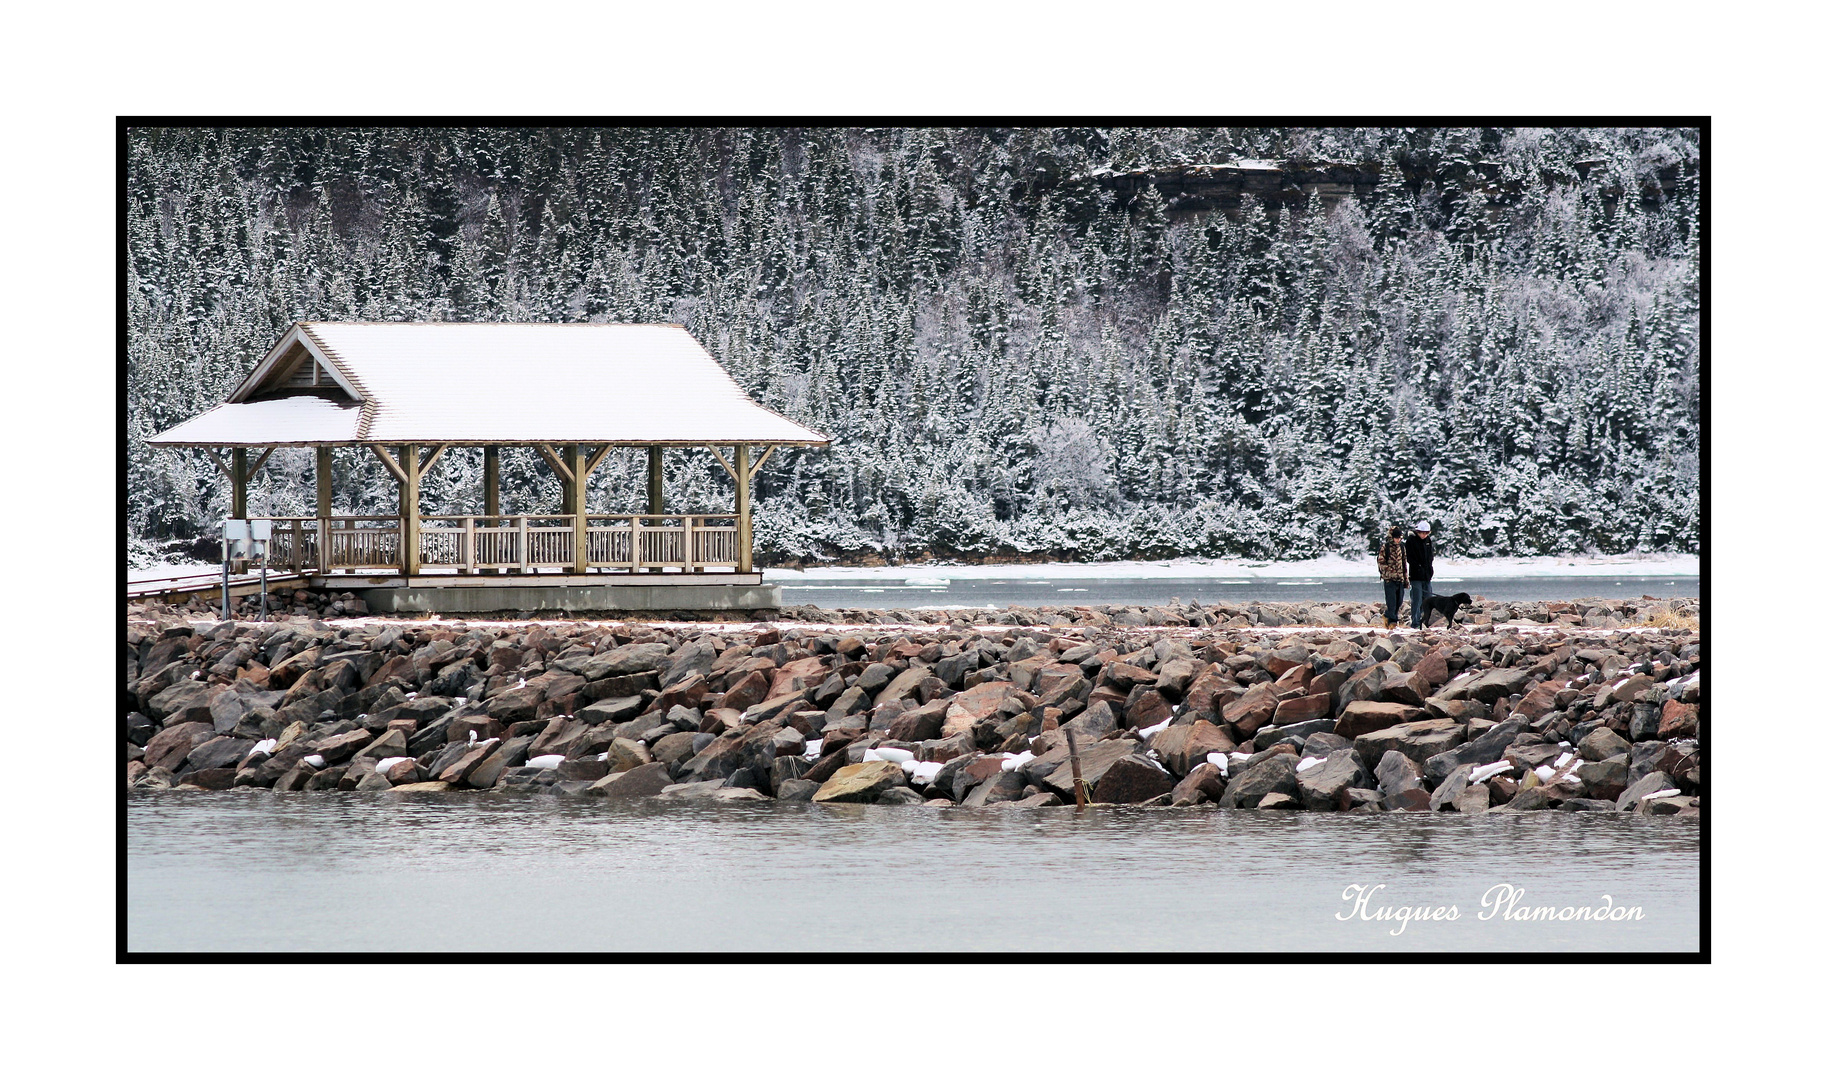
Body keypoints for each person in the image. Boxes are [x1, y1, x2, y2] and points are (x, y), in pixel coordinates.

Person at [1405, 520, 1436, 629]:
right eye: (1422, 533)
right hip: (1416, 576)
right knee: (1417, 599)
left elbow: (1430, 556)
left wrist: (1429, 569)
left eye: (1426, 533)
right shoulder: (1411, 541)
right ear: (1418, 532)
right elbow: (1410, 558)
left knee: (1428, 598)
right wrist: (1418, 568)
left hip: (1427, 575)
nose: (1424, 535)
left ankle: (1425, 620)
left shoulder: (1428, 541)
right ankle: (1415, 623)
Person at [1376, 525, 1407, 630]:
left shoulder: (1402, 547)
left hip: (1400, 579)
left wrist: (1406, 579)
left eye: (1399, 538)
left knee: (1399, 601)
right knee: (1391, 602)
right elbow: (1381, 563)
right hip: (1389, 580)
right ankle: (1393, 623)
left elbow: (1404, 564)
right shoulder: (1386, 547)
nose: (1398, 540)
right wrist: (1391, 572)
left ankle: (1388, 616)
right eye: (1396, 537)